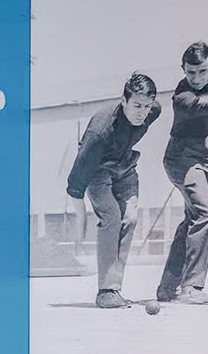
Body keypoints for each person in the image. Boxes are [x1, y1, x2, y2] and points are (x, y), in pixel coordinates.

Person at [65, 73, 162, 308]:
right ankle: (106, 292)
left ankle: (115, 287)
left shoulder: (153, 111)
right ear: (123, 100)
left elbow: (148, 112)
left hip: (125, 165)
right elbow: (76, 183)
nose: (142, 111)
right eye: (137, 105)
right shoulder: (100, 132)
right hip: (96, 170)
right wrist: (81, 219)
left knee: (129, 217)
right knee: (112, 217)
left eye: (147, 106)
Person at [156, 42, 208, 305]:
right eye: (190, 73)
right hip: (182, 159)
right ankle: (192, 287)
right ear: (183, 70)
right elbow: (205, 101)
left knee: (192, 220)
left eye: (202, 72)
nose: (196, 79)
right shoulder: (182, 97)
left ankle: (167, 287)